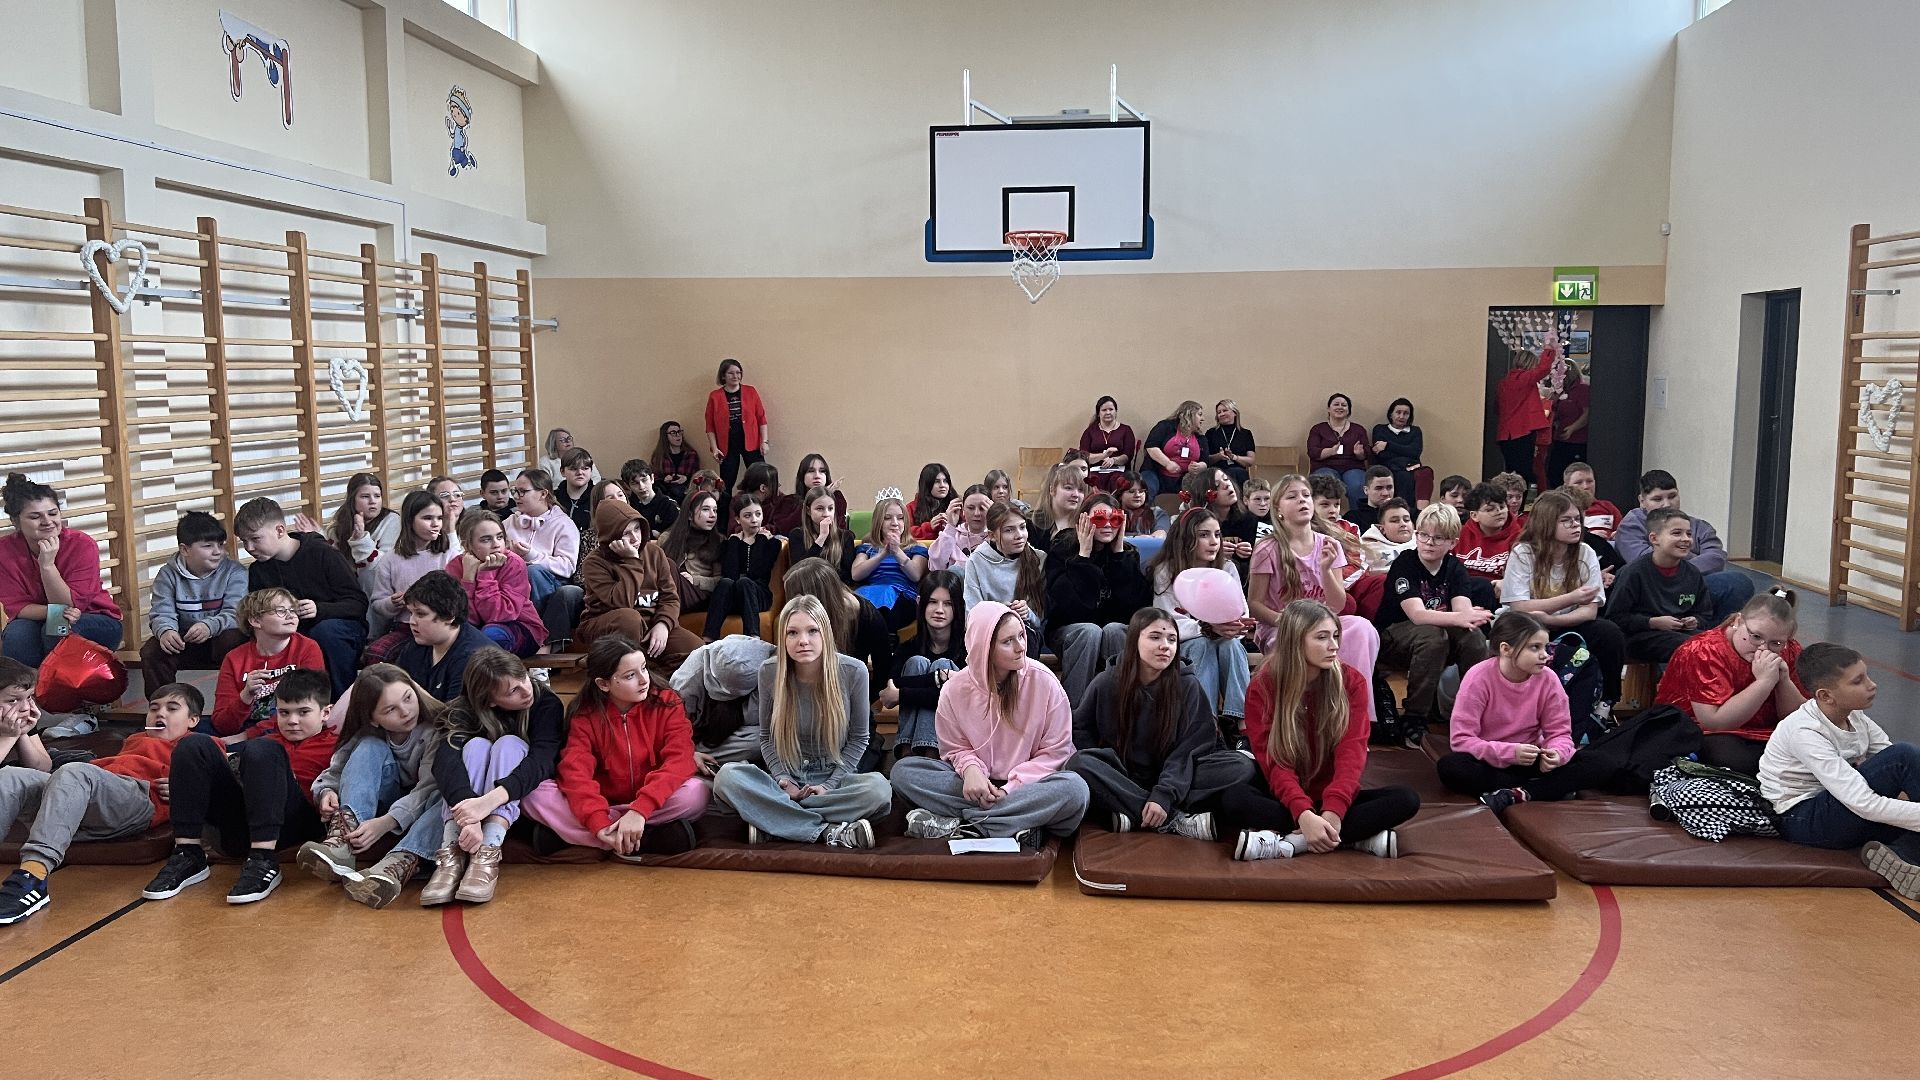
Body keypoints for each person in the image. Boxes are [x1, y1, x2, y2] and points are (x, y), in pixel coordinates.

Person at [1226, 600, 1418, 860]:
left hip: (1333, 797)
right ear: (1296, 641)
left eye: (1336, 636)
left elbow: (1352, 754)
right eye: (1322, 637)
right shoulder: (1264, 686)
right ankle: (1351, 839)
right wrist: (1303, 813)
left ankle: (1294, 842)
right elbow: (1274, 762)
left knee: (1405, 799)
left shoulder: (1352, 682)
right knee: (1234, 798)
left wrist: (1334, 811)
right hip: (1283, 795)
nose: (1334, 646)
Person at [0, 683, 201, 925]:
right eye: (154, 708)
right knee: (10, 776)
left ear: (193, 720)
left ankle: (32, 876)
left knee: (74, 772)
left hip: (138, 799)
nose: (161, 713)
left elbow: (221, 777)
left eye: (172, 708)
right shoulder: (135, 739)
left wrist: (189, 787)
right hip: (93, 796)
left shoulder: (196, 745)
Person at [889, 601, 1090, 842]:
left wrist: (1009, 789)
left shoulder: (1044, 681)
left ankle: (967, 826)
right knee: (903, 773)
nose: (1021, 647)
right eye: (1008, 641)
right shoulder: (954, 690)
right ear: (984, 648)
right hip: (974, 787)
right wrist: (971, 771)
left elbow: (1055, 753)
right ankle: (1016, 823)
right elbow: (956, 748)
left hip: (1029, 785)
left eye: (1021, 636)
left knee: (1075, 789)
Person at [139, 669, 337, 905]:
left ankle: (263, 859)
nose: (292, 721)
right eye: (284, 712)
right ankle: (188, 853)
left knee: (263, 749)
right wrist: (190, 787)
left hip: (296, 822)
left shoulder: (338, 745)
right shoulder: (267, 739)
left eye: (303, 712)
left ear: (325, 713)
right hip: (243, 824)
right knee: (193, 744)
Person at [711, 596, 889, 848]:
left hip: (834, 777)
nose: (803, 640)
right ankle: (827, 831)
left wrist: (828, 786)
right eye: (792, 633)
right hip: (788, 777)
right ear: (783, 638)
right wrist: (784, 780)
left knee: (878, 790)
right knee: (727, 778)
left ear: (825, 633)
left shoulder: (854, 671)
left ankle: (775, 821)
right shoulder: (769, 671)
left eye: (812, 631)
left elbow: (859, 739)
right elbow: (767, 737)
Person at [1068, 608, 1256, 837]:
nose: (1165, 646)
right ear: (1134, 641)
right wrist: (1108, 767)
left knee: (1241, 766)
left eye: (1172, 639)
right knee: (1079, 763)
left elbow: (1189, 750)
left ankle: (1131, 809)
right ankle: (1174, 819)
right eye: (1155, 637)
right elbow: (1081, 729)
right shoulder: (1106, 682)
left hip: (1176, 776)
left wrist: (1164, 793)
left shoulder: (1188, 685)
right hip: (1124, 774)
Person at [520, 635, 708, 861]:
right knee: (534, 795)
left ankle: (584, 837)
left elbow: (680, 759)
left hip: (652, 803)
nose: (644, 680)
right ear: (603, 684)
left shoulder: (667, 702)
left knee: (696, 793)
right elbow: (574, 772)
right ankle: (644, 839)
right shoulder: (585, 715)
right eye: (630, 675)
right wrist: (597, 820)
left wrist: (640, 810)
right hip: (602, 803)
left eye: (644, 668)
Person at [1760, 642, 1920, 899]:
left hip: (1839, 806)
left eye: (1867, 675)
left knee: (1906, 760)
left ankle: (1903, 852)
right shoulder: (1805, 732)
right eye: (1858, 681)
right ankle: (1909, 850)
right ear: (1826, 696)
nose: (1872, 685)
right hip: (1802, 819)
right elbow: (1864, 804)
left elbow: (1897, 767)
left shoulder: (1854, 715)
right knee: (1904, 755)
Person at [298, 664, 448, 910]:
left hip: (420, 813)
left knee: (445, 798)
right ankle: (342, 840)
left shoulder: (436, 730)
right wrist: (326, 791)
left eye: (408, 698)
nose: (405, 711)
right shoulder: (368, 733)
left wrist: (387, 822)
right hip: (378, 809)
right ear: (372, 719)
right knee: (369, 746)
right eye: (390, 709)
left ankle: (397, 865)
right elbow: (337, 769)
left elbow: (427, 789)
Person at [1437, 612, 1617, 813]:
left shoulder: (1548, 678)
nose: (1545, 655)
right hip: (1491, 760)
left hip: (1532, 759)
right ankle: (1546, 789)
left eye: (1546, 647)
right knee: (1451, 767)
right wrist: (1511, 753)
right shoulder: (1478, 677)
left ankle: (1520, 793)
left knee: (1603, 763)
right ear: (1506, 649)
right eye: (1535, 647)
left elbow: (1560, 733)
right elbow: (1461, 740)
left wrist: (1556, 754)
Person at [428, 648, 566, 893]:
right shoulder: (463, 710)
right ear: (490, 701)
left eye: (523, 677)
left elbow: (542, 761)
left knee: (509, 744)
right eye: (513, 691)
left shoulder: (545, 702)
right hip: (468, 814)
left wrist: (489, 802)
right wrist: (469, 815)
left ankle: (488, 851)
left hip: (514, 806)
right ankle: (452, 851)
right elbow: (445, 763)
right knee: (475, 746)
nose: (526, 690)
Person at [1373, 503, 1492, 743]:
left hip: (1437, 634)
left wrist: (1467, 617)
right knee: (1433, 636)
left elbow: (1462, 611)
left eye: (1438, 538)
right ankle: (1414, 717)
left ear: (1452, 543)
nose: (1429, 542)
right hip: (1393, 638)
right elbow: (1417, 615)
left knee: (1474, 637)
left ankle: (1474, 711)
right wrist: (1461, 616)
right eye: (1423, 535)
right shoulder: (1405, 563)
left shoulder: (1455, 568)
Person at [1654, 591, 1805, 776]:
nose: (1763, 648)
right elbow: (1714, 722)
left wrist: (1783, 680)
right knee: (1738, 760)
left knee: (1810, 750)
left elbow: (1797, 717)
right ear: (1738, 621)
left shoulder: (1790, 650)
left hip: (1765, 732)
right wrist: (1764, 682)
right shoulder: (1704, 651)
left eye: (1776, 643)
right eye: (1756, 637)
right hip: (1702, 730)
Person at [1248, 475, 1379, 686]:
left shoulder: (1329, 544)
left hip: (1322, 624)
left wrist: (1326, 569)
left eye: (1306, 495)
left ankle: (1356, 700)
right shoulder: (1267, 548)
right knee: (1308, 642)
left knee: (1362, 628)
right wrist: (1287, 621)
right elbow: (1255, 604)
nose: (1302, 500)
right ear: (1278, 508)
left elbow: (1337, 605)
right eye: (1292, 496)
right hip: (1282, 627)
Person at [1499, 489, 1627, 703]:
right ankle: (1517, 701)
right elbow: (1519, 607)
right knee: (1515, 632)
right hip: (1527, 624)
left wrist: (1553, 620)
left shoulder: (1585, 552)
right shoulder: (1523, 553)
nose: (1575, 525)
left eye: (1577, 519)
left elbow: (1590, 611)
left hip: (1567, 623)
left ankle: (1606, 703)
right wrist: (1572, 598)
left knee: (1609, 633)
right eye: (1566, 520)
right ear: (1546, 523)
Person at [234, 497, 366, 698]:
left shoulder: (323, 554)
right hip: (290, 630)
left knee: (325, 633)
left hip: (339, 627)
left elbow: (358, 604)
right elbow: (257, 613)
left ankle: (341, 702)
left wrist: (319, 609)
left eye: (255, 539)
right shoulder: (258, 570)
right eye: (244, 541)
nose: (249, 547)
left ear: (280, 531)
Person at [1145, 508, 1253, 736]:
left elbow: (1240, 612)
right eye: (1204, 535)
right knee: (1201, 645)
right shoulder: (1166, 570)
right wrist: (1205, 627)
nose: (1214, 542)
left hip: (1223, 639)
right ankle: (1205, 724)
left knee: (1232, 646)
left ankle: (1243, 724)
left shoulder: (1227, 568)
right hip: (1186, 643)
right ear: (1186, 538)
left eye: (1217, 534)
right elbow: (1168, 623)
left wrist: (1235, 627)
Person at [0, 473, 124, 665]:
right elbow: (19, 607)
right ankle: (29, 684)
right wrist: (53, 612)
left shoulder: (82, 544)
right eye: (35, 516)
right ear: (15, 521)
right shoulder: (4, 550)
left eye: (53, 513)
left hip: (95, 619)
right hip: (44, 616)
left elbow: (68, 604)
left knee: (56, 627)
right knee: (17, 634)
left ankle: (57, 683)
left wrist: (47, 565)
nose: (47, 521)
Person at [1045, 493, 1151, 705]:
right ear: (1084, 520)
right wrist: (1083, 557)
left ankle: (1120, 711)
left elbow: (1133, 611)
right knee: (1089, 631)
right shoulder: (1063, 549)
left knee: (1115, 630)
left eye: (1115, 519)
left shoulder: (1127, 554)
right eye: (1100, 519)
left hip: (1111, 632)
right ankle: (1074, 713)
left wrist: (1119, 556)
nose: (1108, 525)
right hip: (1070, 632)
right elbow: (1070, 610)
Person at [1612, 470, 1756, 620]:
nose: (1667, 504)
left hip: (1692, 586)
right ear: (1642, 501)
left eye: (1672, 496)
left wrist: (1684, 569)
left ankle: (1713, 631)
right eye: (1657, 499)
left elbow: (1716, 557)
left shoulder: (1699, 526)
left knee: (1738, 582)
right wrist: (1691, 557)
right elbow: (1645, 560)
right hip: (1652, 590)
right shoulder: (1631, 525)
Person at [576, 498, 705, 664]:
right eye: (626, 533)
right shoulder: (594, 563)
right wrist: (632, 561)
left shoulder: (655, 553)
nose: (635, 538)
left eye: (637, 529)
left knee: (698, 651)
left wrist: (663, 624)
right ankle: (622, 665)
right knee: (630, 619)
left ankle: (653, 673)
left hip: (650, 623)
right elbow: (621, 602)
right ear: (611, 536)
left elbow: (670, 598)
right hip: (609, 623)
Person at [140, 510, 250, 689]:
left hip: (219, 637)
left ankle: (237, 699)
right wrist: (166, 631)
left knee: (234, 639)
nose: (217, 552)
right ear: (185, 549)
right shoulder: (167, 574)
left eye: (220, 545)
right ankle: (162, 701)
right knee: (152, 651)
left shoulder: (235, 572)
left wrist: (209, 626)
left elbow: (237, 613)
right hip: (185, 640)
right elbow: (162, 611)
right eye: (207, 546)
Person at [213, 587, 326, 740]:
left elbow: (305, 711)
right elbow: (222, 725)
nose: (291, 615)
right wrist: (246, 695)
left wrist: (247, 736)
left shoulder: (307, 648)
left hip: (290, 732)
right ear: (255, 620)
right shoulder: (234, 658)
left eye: (293, 610)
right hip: (246, 727)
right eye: (280, 611)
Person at [1603, 508, 1713, 663]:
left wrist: (1695, 620)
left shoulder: (1693, 572)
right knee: (1692, 647)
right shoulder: (1634, 572)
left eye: (1689, 534)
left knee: (1717, 644)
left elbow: (1704, 613)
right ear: (1654, 538)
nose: (1686, 539)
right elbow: (1615, 618)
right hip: (1640, 636)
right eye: (1677, 533)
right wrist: (1652, 622)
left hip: (1681, 633)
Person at [879, 570, 967, 758]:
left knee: (944, 663)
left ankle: (931, 752)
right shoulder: (909, 647)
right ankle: (907, 751)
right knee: (917, 662)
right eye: (933, 602)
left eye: (948, 604)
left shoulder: (968, 648)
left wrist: (903, 694)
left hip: (952, 740)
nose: (939, 610)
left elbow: (965, 694)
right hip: (909, 741)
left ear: (958, 607)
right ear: (920, 602)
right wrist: (937, 678)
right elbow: (891, 688)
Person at [784, 557, 893, 703]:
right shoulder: (804, 619)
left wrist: (860, 702)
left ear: (818, 597)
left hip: (848, 696)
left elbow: (883, 671)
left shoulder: (870, 618)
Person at [365, 490, 452, 662]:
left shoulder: (449, 555)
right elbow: (377, 603)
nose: (435, 524)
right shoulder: (391, 559)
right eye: (427, 518)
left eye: (439, 518)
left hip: (442, 625)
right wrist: (392, 603)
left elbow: (458, 598)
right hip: (407, 627)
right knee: (376, 653)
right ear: (409, 520)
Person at [449, 509, 546, 658]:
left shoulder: (513, 563)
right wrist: (468, 579)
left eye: (499, 537)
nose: (496, 544)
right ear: (468, 545)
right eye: (486, 540)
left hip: (519, 626)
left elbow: (499, 615)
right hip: (476, 628)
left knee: (491, 635)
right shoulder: (455, 567)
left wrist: (486, 574)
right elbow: (466, 618)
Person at [390, 571, 492, 703]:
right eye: (411, 613)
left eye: (421, 614)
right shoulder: (419, 643)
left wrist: (413, 688)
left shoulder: (472, 659)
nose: (412, 621)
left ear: (449, 616)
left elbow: (453, 714)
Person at [966, 502, 1047, 652]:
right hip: (990, 633)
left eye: (1022, 527)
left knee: (1021, 636)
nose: (1019, 535)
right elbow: (972, 614)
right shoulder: (976, 561)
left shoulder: (1038, 559)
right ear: (992, 535)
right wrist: (999, 612)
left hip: (1026, 632)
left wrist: (1027, 613)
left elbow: (1039, 620)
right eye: (1009, 530)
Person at [503, 469, 580, 612]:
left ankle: (534, 620)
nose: (516, 497)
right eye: (514, 491)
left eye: (523, 491)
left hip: (550, 583)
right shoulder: (510, 521)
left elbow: (567, 567)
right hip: (514, 580)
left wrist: (532, 556)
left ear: (543, 494)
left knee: (533, 571)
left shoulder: (563, 524)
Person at [707, 494, 780, 641]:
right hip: (734, 596)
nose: (754, 519)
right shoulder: (730, 544)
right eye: (748, 516)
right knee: (725, 582)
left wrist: (760, 540)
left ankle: (753, 637)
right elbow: (730, 574)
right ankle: (708, 639)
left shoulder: (772, 543)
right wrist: (734, 543)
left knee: (745, 582)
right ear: (738, 519)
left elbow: (757, 572)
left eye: (758, 514)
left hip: (759, 595)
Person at [852, 495, 928, 632]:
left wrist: (897, 551)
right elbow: (856, 574)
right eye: (887, 518)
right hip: (869, 595)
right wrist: (882, 554)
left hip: (903, 598)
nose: (895, 523)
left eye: (900, 518)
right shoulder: (868, 547)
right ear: (878, 522)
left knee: (887, 593)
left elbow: (916, 575)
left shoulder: (916, 547)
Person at [322, 472, 400, 604]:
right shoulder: (339, 525)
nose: (373, 501)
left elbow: (383, 567)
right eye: (365, 496)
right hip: (348, 593)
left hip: (380, 595)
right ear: (352, 499)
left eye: (377, 496)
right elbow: (333, 562)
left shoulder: (392, 520)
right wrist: (317, 537)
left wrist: (361, 540)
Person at [1494, 340, 1558, 485]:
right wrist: (1549, 349)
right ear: (1530, 364)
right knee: (1524, 474)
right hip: (1522, 431)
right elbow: (1543, 369)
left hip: (1505, 434)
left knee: (1511, 471)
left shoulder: (1503, 383)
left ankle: (1510, 497)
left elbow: (1497, 408)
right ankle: (1521, 498)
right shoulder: (1525, 379)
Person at [705, 358, 769, 495]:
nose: (736, 376)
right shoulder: (715, 396)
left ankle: (764, 507)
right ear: (723, 376)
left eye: (738, 372)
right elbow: (710, 425)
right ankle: (724, 508)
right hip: (727, 445)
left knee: (761, 479)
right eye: (731, 373)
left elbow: (761, 418)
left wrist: (764, 442)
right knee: (726, 483)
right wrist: (714, 448)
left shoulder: (751, 391)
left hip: (751, 443)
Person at [1453, 482, 1519, 610]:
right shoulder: (1459, 535)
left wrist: (1507, 582)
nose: (1499, 512)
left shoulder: (1519, 537)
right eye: (1490, 509)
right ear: (1474, 515)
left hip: (1499, 597)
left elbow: (1525, 576)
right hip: (1462, 592)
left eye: (1502, 506)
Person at [661, 489, 725, 618]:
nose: (713, 515)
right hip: (671, 590)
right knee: (665, 567)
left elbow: (721, 581)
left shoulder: (719, 541)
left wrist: (695, 580)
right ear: (690, 515)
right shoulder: (667, 538)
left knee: (669, 566)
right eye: (706, 509)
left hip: (699, 595)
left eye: (715, 510)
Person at [1307, 392, 1371, 510]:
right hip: (1325, 466)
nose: (1340, 407)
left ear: (1348, 410)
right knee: (1326, 483)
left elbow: (1366, 453)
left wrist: (1360, 453)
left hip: (1353, 467)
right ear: (1329, 409)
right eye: (1336, 404)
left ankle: (1358, 517)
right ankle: (1325, 517)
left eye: (1344, 405)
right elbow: (1312, 452)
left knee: (1357, 484)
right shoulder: (1318, 429)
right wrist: (1331, 451)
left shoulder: (1358, 429)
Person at [1141, 400, 1208, 500]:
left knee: (1201, 490)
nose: (1203, 419)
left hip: (1185, 478)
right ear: (1189, 414)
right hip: (1156, 473)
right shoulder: (1165, 426)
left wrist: (1200, 466)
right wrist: (1167, 463)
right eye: (1200, 414)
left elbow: (1205, 461)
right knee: (1148, 489)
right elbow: (1151, 447)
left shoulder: (1201, 438)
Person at [789, 485, 855, 583]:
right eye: (820, 509)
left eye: (830, 508)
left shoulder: (846, 536)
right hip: (808, 586)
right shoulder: (797, 534)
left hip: (836, 586)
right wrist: (821, 538)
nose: (826, 514)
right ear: (808, 511)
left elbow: (848, 575)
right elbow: (800, 571)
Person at [1371, 397, 1426, 505]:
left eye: (1406, 413)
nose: (1401, 416)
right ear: (1391, 414)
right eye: (1398, 412)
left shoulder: (1415, 431)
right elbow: (1381, 455)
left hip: (1411, 468)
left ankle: (1411, 510)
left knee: (1417, 474)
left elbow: (1415, 452)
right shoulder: (1380, 429)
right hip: (1388, 468)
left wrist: (1388, 445)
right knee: (1402, 476)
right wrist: (1405, 451)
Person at [927, 484, 993, 572]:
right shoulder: (952, 535)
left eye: (982, 508)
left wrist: (994, 522)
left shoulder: (997, 536)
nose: (977, 513)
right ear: (963, 510)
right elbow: (936, 567)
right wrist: (950, 526)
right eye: (971, 508)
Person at [1547, 367, 1591, 495]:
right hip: (1560, 439)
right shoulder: (1561, 393)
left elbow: (1587, 413)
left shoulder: (1582, 389)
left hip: (1577, 441)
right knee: (1554, 473)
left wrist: (1573, 428)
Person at [1080, 396, 1137, 492]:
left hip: (1119, 470)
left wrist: (1113, 460)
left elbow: (1128, 456)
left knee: (1117, 480)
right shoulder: (1090, 431)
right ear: (1098, 413)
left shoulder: (1126, 430)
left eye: (1111, 409)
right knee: (1092, 480)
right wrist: (1103, 456)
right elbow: (1084, 456)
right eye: (1104, 410)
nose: (1108, 412)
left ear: (1116, 411)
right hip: (1095, 470)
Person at [1563, 462, 1623, 540]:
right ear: (1566, 486)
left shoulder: (1608, 507)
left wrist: (1617, 536)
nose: (1585, 486)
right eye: (1579, 482)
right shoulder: (1562, 510)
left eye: (1589, 481)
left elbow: (1624, 532)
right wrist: (1589, 537)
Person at [1204, 398, 1256, 487]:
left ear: (1235, 413)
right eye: (1219, 412)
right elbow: (1206, 459)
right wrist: (1219, 456)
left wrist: (1234, 457)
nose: (1221, 414)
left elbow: (1251, 460)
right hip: (1217, 472)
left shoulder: (1245, 434)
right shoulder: (1211, 433)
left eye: (1225, 410)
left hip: (1239, 473)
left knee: (1236, 472)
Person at [734, 462, 796, 535]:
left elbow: (780, 526)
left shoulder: (781, 500)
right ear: (763, 488)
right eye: (775, 484)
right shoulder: (738, 501)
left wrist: (764, 530)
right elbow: (734, 529)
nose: (778, 487)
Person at [1030, 463, 1088, 540]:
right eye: (1068, 488)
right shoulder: (1031, 523)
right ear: (1052, 490)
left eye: (1081, 490)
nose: (1076, 495)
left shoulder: (1085, 526)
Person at [553, 447, 599, 544]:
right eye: (574, 469)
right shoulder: (553, 498)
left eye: (585, 468)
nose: (580, 473)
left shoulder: (599, 496)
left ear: (591, 470)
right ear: (562, 471)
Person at [792, 453, 850, 528]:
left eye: (822, 471)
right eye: (811, 471)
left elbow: (839, 527)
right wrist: (819, 497)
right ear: (802, 475)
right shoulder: (790, 501)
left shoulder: (836, 496)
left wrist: (826, 496)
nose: (817, 476)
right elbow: (788, 528)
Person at [652, 420, 701, 504]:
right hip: (666, 493)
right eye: (673, 433)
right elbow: (654, 478)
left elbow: (697, 476)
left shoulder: (690, 454)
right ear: (665, 436)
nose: (678, 435)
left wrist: (686, 478)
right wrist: (664, 479)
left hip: (686, 491)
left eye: (679, 432)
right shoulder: (659, 456)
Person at [906, 463, 956, 542]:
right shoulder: (911, 507)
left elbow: (968, 530)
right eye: (937, 481)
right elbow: (905, 533)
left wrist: (951, 526)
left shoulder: (956, 505)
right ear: (926, 484)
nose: (942, 485)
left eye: (945, 481)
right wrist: (929, 527)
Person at [1118, 471, 1170, 538]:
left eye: (1141, 491)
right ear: (1120, 495)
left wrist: (1143, 540)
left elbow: (1160, 536)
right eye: (1131, 491)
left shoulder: (1157, 514)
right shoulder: (1111, 514)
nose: (1137, 495)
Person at [1345, 467, 1397, 534]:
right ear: (1366, 490)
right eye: (1379, 488)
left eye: (1389, 487)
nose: (1385, 493)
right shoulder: (1352, 519)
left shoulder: (1404, 515)